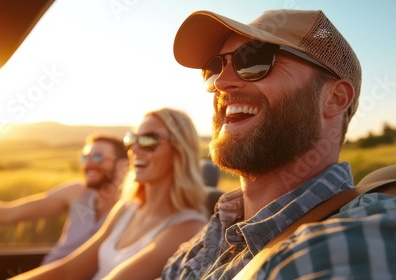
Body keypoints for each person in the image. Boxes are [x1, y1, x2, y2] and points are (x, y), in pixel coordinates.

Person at [162, 9, 396, 279]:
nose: (222, 83)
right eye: (214, 69)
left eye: (255, 61)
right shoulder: (212, 234)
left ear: (335, 98)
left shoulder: (357, 235)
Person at [12, 108, 209, 280]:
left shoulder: (188, 228)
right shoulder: (126, 209)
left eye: (149, 140)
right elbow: (69, 271)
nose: (135, 149)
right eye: (131, 140)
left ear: (180, 150)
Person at [0, 133, 129, 265]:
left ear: (123, 164)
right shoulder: (76, 192)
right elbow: (8, 213)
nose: (88, 165)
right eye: (85, 158)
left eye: (98, 158)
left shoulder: (135, 207)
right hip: (49, 273)